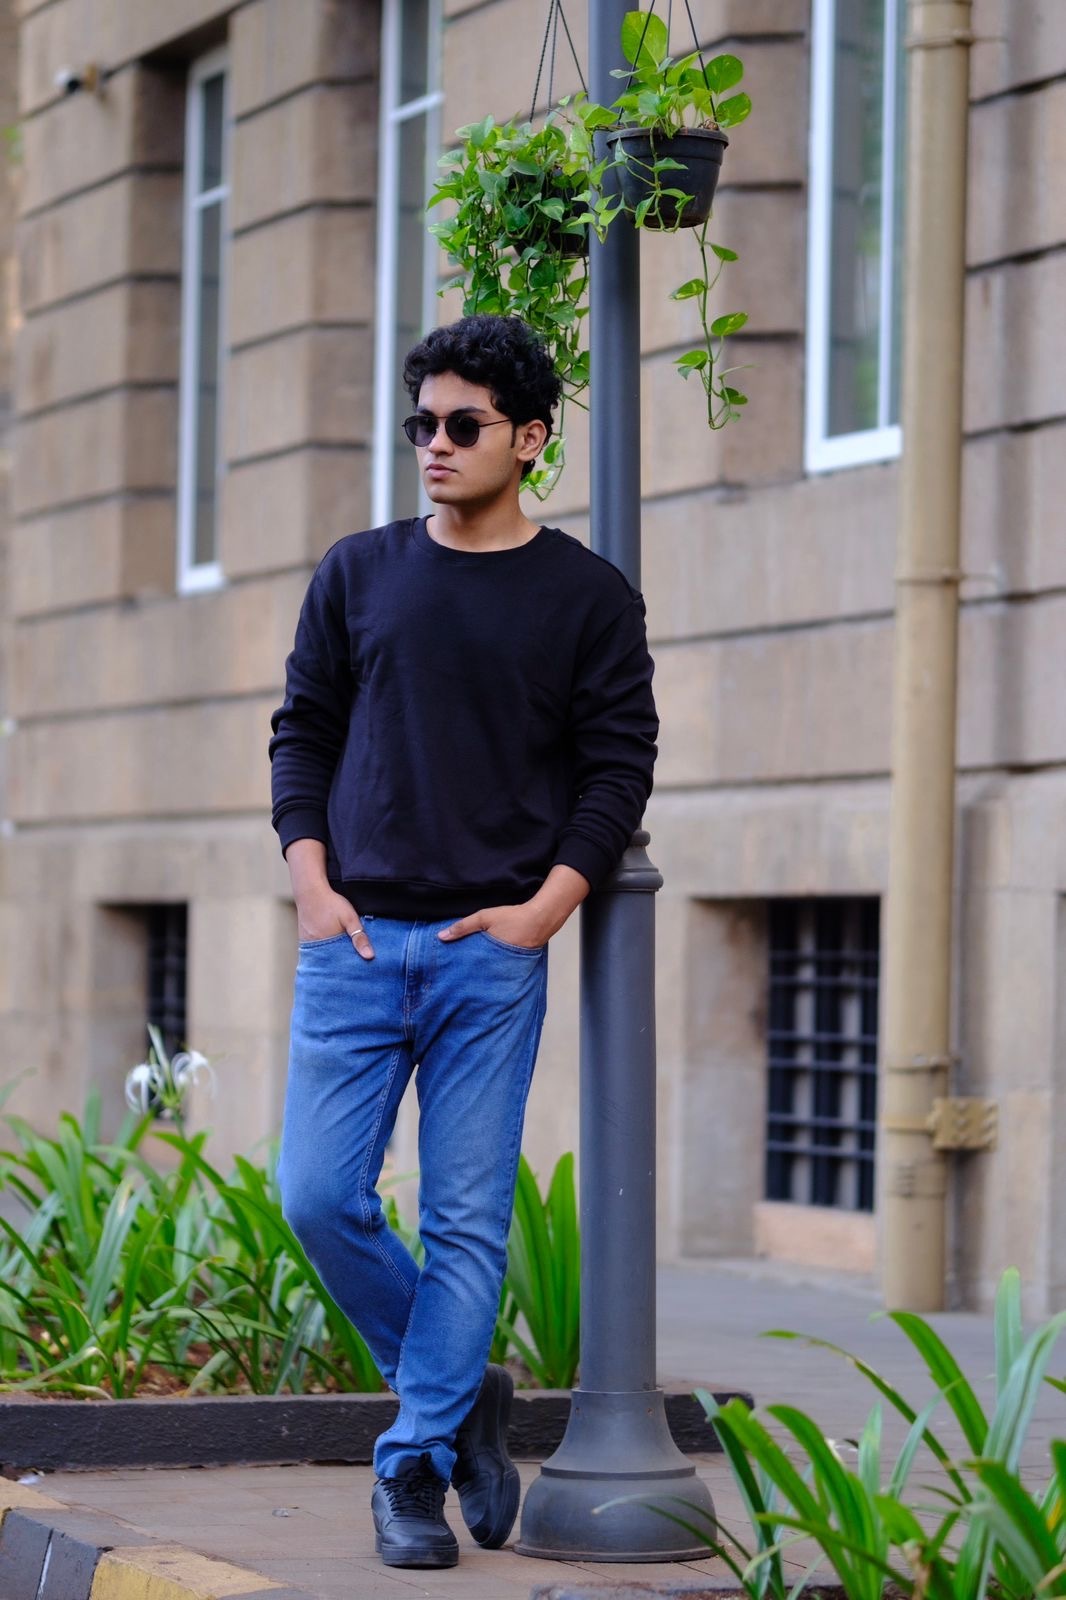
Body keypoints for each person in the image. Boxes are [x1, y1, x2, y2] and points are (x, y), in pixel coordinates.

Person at [268, 313, 657, 1570]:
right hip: (354, 940)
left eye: (462, 425)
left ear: (529, 438)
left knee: (468, 1219)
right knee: (316, 1194)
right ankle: (459, 1391)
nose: (433, 443)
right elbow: (302, 731)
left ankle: (411, 1465)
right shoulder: (358, 571)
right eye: (420, 423)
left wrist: (546, 909)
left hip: (491, 948)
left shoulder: (586, 597)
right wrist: (310, 882)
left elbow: (618, 765)